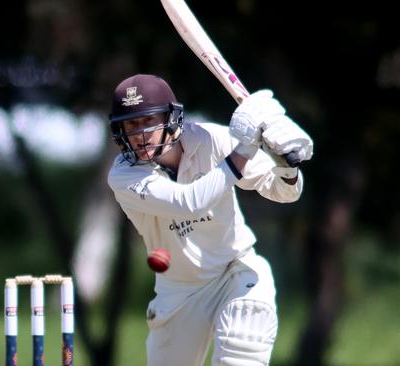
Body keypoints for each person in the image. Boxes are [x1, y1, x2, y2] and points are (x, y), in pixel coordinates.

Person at [107, 74, 313, 365]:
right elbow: (188, 202)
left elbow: (282, 190)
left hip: (234, 270)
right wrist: (244, 149)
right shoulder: (124, 175)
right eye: (131, 124)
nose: (140, 134)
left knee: (243, 341)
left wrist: (287, 165)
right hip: (179, 292)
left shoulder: (211, 139)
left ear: (171, 117)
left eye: (148, 121)